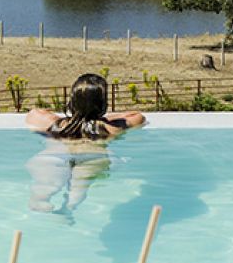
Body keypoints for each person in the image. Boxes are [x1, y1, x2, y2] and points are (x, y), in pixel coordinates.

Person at [24, 74, 146, 215]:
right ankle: (68, 209)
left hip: (56, 155)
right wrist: (101, 119)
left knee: (48, 180)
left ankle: (40, 199)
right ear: (102, 104)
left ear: (72, 101)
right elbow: (138, 116)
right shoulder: (111, 128)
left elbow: (34, 113)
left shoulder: (56, 124)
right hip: (92, 157)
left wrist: (76, 118)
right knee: (80, 186)